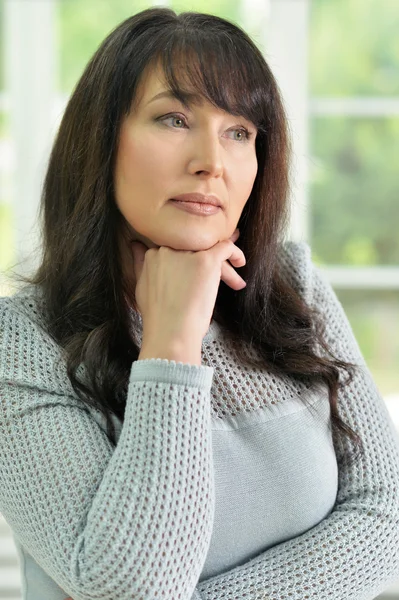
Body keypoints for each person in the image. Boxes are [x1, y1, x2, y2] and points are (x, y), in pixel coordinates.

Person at [0, 7, 398, 600]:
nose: (211, 160)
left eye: (239, 131)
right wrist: (171, 348)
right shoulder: (24, 343)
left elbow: (387, 516)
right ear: (101, 143)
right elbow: (132, 589)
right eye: (173, 118)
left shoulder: (295, 287)